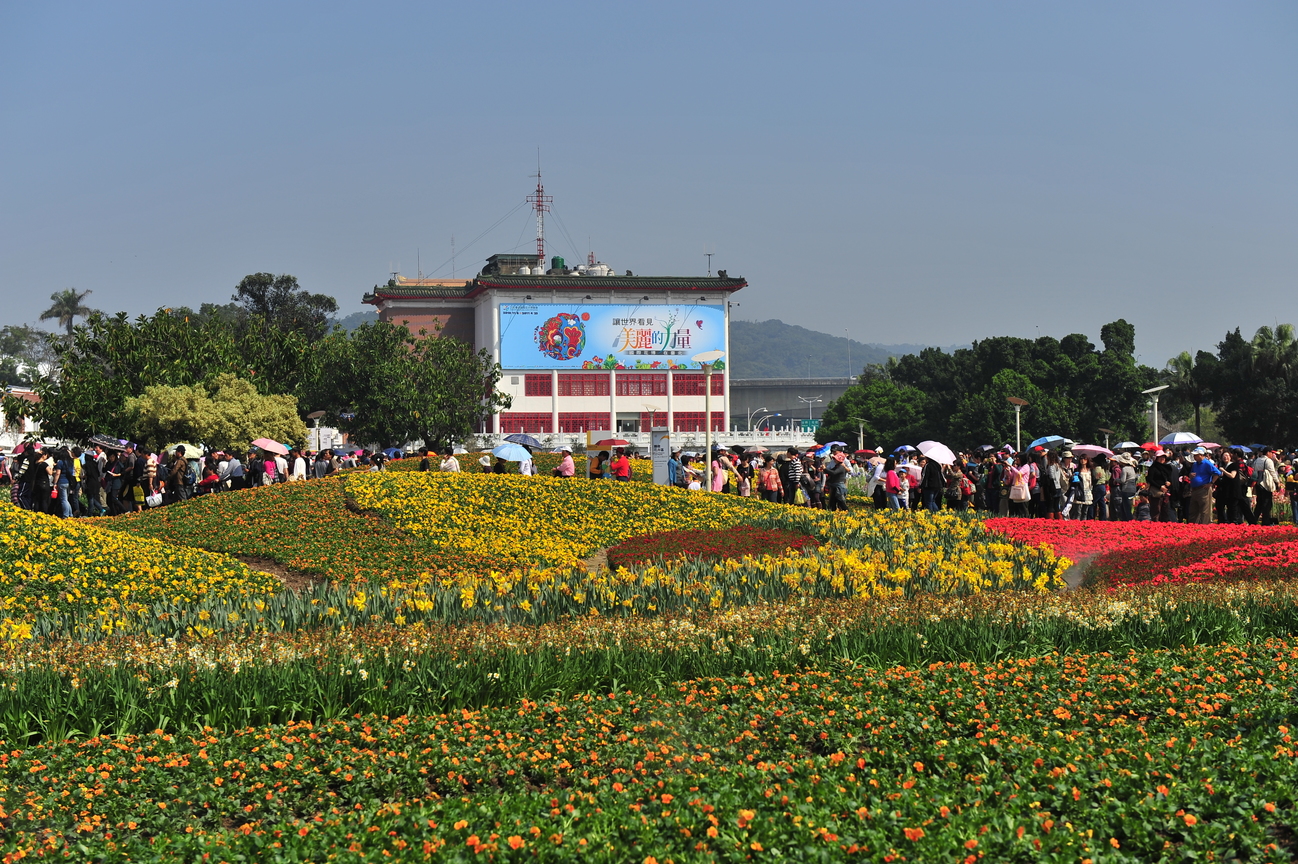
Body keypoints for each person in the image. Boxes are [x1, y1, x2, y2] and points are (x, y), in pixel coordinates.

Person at [1187, 447, 1222, 524]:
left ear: (1201, 455)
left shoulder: (1207, 463)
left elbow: (1218, 473)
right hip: (1194, 489)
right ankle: (1193, 525)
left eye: (1196, 455)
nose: (1194, 457)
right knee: (1193, 509)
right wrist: (1190, 475)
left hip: (1203, 489)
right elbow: (1191, 473)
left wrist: (1211, 483)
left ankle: (1204, 525)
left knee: (1204, 510)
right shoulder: (1195, 464)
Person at [1252, 447, 1281, 526]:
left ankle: (1253, 520)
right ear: (1268, 452)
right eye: (1271, 453)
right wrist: (1277, 482)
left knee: (1259, 503)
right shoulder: (1268, 461)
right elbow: (1272, 472)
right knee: (1267, 503)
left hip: (1258, 483)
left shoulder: (1257, 460)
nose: (1272, 454)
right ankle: (1265, 522)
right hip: (1265, 484)